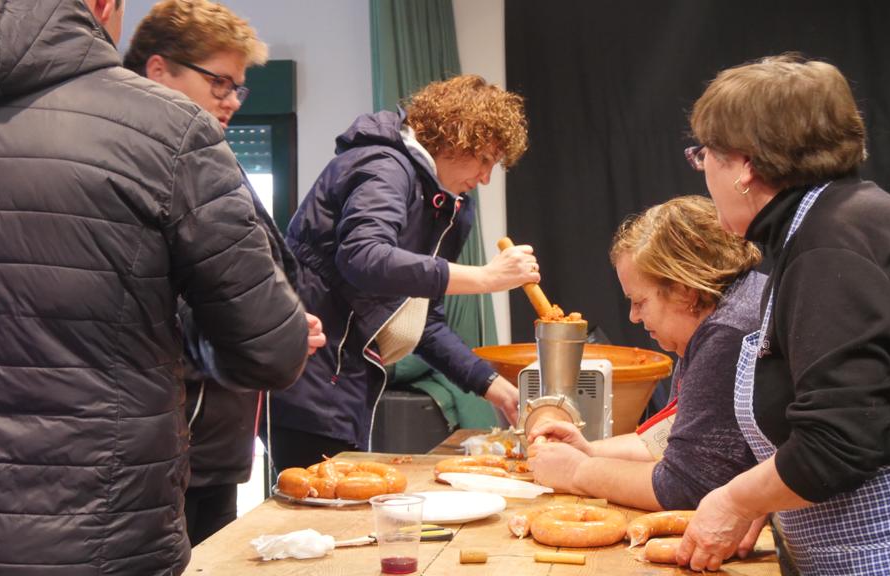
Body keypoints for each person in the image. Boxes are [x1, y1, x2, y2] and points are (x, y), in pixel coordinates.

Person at [0, 0, 311, 573]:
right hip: (102, 534)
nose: (231, 99)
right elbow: (270, 350)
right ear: (103, 6)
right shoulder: (163, 128)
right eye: (219, 82)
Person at [677, 54, 890, 574]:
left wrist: (736, 500)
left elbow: (836, 444)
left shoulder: (830, 247)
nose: (703, 172)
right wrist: (768, 496)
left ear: (745, 165)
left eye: (705, 156)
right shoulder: (833, 224)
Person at [123, 0, 326, 546]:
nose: (232, 100)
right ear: (158, 69)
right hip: (169, 438)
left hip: (209, 436)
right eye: (219, 83)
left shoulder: (202, 154)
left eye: (238, 87)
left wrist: (275, 324)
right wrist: (255, 330)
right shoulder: (134, 160)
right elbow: (150, 303)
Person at [268, 74, 538, 470]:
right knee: (319, 513)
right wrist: (484, 278)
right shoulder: (383, 164)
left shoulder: (447, 206)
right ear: (453, 136)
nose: (484, 178)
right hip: (308, 373)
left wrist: (492, 386)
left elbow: (422, 322)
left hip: (348, 379)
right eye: (483, 159)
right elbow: (362, 256)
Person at [528, 196, 764, 516]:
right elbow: (673, 437)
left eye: (639, 301)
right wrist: (587, 450)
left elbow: (685, 485)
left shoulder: (726, 331)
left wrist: (576, 472)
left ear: (684, 290)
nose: (633, 317)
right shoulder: (715, 315)